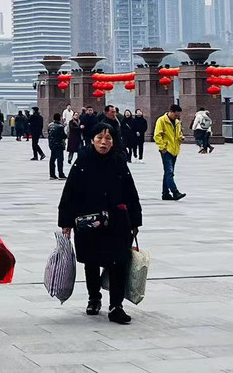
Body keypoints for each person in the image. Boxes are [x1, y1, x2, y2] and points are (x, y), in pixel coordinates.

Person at [58, 122, 141, 322]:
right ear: (92, 140)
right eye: (99, 138)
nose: (104, 142)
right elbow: (70, 192)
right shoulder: (83, 161)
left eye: (108, 138)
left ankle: (116, 306)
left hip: (117, 221)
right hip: (89, 221)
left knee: (118, 262)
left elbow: (130, 191)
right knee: (92, 261)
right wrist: (66, 221)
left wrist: (135, 220)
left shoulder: (119, 160)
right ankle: (94, 297)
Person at [153, 104, 186, 201]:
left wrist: (180, 138)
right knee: (169, 172)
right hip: (166, 150)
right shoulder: (162, 120)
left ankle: (165, 194)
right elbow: (157, 135)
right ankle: (175, 192)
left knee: (168, 173)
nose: (177, 117)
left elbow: (179, 133)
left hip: (175, 150)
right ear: (171, 112)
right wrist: (162, 147)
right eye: (176, 115)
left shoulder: (177, 122)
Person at [46, 112, 68, 180]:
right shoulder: (60, 127)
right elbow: (63, 136)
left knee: (52, 159)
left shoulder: (50, 125)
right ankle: (61, 174)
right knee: (60, 160)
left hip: (52, 144)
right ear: (59, 118)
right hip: (59, 145)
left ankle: (52, 174)